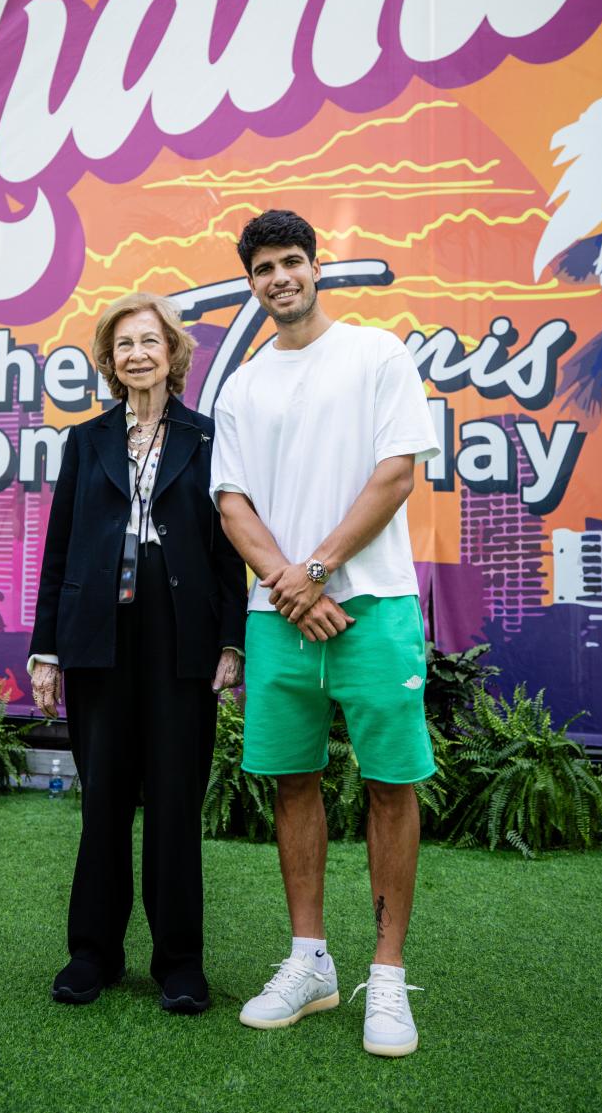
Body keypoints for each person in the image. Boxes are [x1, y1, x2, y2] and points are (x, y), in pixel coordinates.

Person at [210, 209, 440, 1057]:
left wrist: (316, 569)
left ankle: (387, 972)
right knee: (292, 782)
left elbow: (396, 473)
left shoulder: (376, 354)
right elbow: (232, 503)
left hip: (373, 605)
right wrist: (292, 585)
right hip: (280, 615)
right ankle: (311, 962)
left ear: (317, 267)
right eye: (264, 267)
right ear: (252, 282)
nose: (280, 277)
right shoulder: (241, 387)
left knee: (390, 783)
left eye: (292, 261)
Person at [29, 291, 245, 1015]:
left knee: (176, 800)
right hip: (97, 632)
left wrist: (231, 640)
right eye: (124, 344)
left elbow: (229, 550)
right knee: (104, 799)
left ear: (172, 351)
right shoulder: (86, 440)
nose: (138, 354)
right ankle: (92, 952)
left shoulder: (207, 437)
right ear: (110, 359)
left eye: (150, 340)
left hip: (182, 634)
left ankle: (179, 962)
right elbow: (59, 549)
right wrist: (46, 649)